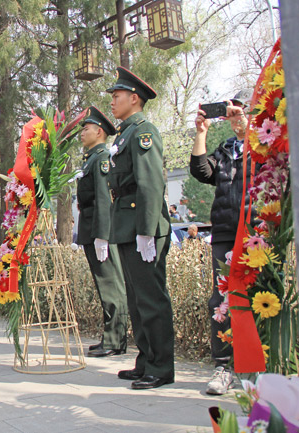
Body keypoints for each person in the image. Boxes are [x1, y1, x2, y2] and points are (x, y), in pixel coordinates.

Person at [106, 67, 174, 390]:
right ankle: (146, 360)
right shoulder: (124, 134)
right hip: (127, 227)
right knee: (136, 302)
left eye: (116, 96)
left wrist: (147, 230)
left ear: (134, 98)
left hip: (142, 226)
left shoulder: (144, 132)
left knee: (151, 299)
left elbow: (150, 183)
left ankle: (161, 367)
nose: (112, 102)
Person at [189, 90, 253, 395]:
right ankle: (223, 367)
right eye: (231, 110)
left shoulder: (265, 144)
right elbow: (201, 171)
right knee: (221, 300)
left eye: (241, 111)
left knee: (259, 297)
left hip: (258, 231)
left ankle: (259, 367)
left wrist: (249, 127)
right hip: (226, 231)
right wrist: (200, 133)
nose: (234, 116)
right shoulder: (227, 148)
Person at [75, 106, 129, 358]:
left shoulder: (102, 158)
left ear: (99, 131)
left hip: (100, 229)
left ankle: (115, 339)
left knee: (111, 285)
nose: (82, 133)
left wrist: (102, 235)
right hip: (91, 227)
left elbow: (105, 199)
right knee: (104, 284)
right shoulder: (92, 158)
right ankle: (111, 336)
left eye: (86, 129)